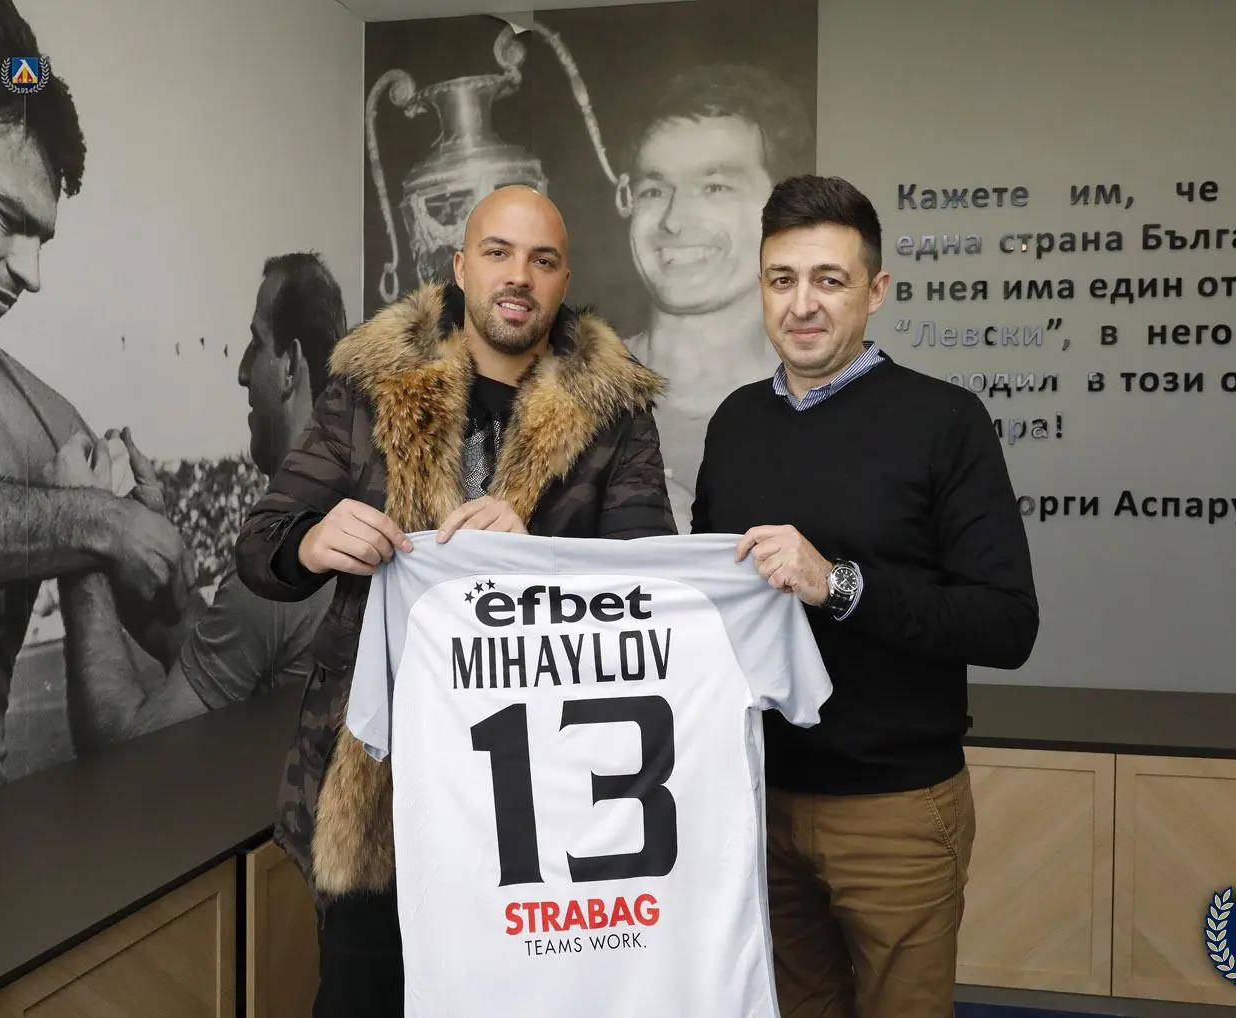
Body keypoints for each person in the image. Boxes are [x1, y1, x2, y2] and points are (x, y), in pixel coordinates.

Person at [234, 184, 675, 1017]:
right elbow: (261, 543)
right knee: (363, 996)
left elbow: (646, 588)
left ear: (564, 279)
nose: (519, 277)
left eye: (542, 261)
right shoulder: (370, 384)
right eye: (498, 253)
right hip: (379, 791)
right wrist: (311, 540)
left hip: (543, 800)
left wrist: (531, 553)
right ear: (460, 265)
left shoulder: (614, 412)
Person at [690, 174, 1040, 1018]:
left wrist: (838, 584)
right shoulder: (734, 423)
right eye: (782, 280)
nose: (802, 304)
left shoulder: (945, 421)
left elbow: (1006, 624)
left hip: (896, 811)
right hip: (757, 803)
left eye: (829, 280)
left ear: (875, 290)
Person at [0, 0, 190, 799]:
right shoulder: (76, 493)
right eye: (6, 218)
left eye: (43, 237)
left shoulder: (51, 430)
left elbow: (181, 638)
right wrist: (93, 523)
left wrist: (157, 548)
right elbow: (96, 525)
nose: (32, 273)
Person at [621, 64, 813, 531]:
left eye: (716, 187)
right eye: (654, 189)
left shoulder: (841, 412)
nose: (674, 220)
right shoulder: (561, 399)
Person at [156, 253, 348, 717]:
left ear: (290, 366)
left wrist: (92, 553)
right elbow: (235, 654)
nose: (243, 371)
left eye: (256, 343)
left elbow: (129, 741)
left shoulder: (285, 542)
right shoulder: (350, 494)